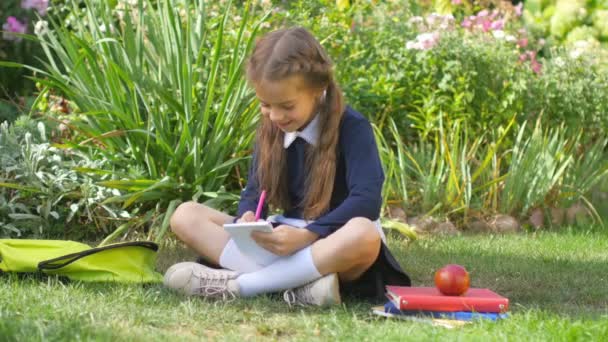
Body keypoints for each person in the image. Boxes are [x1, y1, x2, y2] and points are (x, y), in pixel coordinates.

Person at [163, 27, 410, 306]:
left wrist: (307, 235)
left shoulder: (352, 127)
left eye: (287, 106)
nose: (276, 116)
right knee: (185, 215)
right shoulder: (271, 129)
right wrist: (246, 218)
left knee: (363, 233)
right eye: (265, 104)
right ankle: (304, 289)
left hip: (333, 242)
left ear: (318, 89)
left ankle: (242, 286)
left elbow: (366, 201)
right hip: (283, 238)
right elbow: (255, 192)